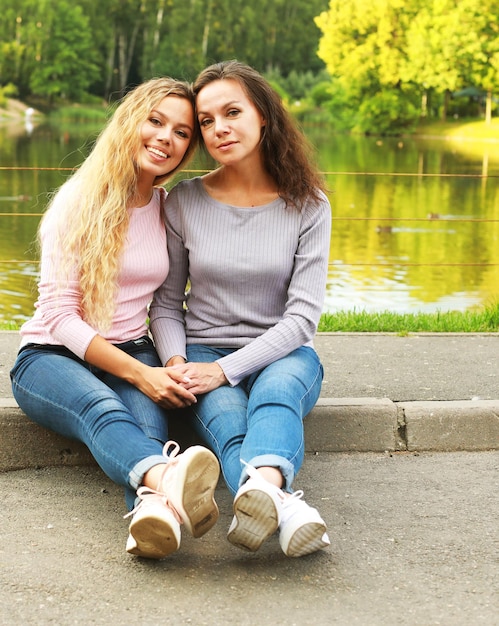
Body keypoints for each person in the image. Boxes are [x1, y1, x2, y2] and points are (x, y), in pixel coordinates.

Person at [10, 77, 220, 560]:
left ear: (189, 147)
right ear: (130, 122)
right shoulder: (78, 200)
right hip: (51, 356)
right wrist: (142, 374)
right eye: (155, 121)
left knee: (148, 431)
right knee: (103, 411)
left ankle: (152, 516)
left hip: (133, 350)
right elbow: (60, 316)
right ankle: (170, 478)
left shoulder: (166, 207)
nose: (166, 137)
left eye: (183, 132)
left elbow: (168, 303)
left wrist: (168, 361)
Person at [149, 61, 332, 558]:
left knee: (275, 396)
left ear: (264, 116)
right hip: (203, 350)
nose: (218, 129)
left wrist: (223, 371)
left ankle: (269, 491)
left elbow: (301, 321)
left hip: (283, 351)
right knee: (229, 424)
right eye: (206, 121)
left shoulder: (309, 204)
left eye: (232, 112)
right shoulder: (183, 200)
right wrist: (178, 364)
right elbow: (167, 306)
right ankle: (287, 506)